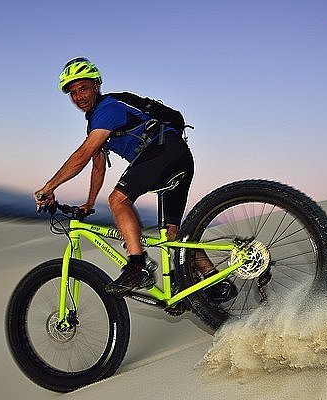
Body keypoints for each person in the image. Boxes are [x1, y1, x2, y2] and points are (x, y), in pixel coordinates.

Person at [35, 57, 211, 296]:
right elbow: (98, 166)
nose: (79, 97)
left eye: (84, 88)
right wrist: (89, 202)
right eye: (73, 93)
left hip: (163, 152)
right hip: (177, 156)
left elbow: (83, 155)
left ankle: (137, 266)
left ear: (96, 85)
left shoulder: (108, 108)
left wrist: (49, 187)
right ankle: (213, 279)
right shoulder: (96, 122)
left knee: (118, 200)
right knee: (173, 234)